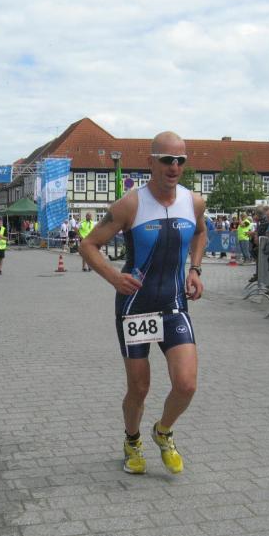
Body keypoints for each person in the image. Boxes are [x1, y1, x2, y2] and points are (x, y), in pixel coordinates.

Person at [79, 131, 206, 476]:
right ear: (151, 162)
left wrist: (195, 269)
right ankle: (132, 440)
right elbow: (88, 245)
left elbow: (200, 232)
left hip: (174, 304)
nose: (174, 166)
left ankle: (163, 431)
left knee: (186, 384)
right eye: (167, 160)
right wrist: (113, 277)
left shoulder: (193, 202)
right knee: (139, 387)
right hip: (135, 307)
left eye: (180, 160)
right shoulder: (130, 204)